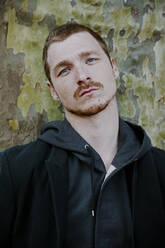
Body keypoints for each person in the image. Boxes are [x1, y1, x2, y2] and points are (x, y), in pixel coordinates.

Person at [0, 23, 165, 248]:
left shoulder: (161, 169)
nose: (82, 76)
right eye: (65, 70)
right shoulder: (14, 171)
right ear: (53, 91)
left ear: (114, 67)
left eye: (90, 60)